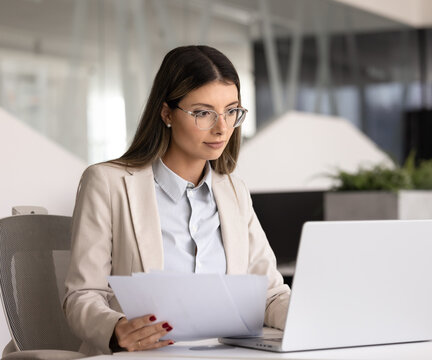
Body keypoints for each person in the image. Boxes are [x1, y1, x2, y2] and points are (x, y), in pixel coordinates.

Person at [63, 45, 290, 356]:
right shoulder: (108, 183)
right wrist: (116, 329)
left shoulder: (234, 191)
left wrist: (316, 316)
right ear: (167, 113)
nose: (222, 127)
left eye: (231, 111)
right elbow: (83, 295)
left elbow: (270, 295)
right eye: (203, 113)